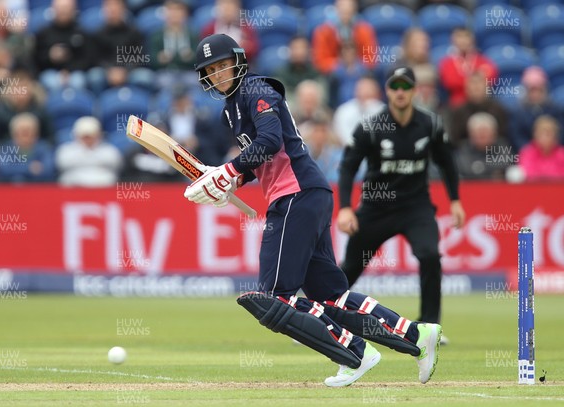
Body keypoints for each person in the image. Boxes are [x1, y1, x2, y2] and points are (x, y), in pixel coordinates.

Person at [183, 33, 442, 387]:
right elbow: (265, 158)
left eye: (223, 65)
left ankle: (353, 352)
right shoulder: (232, 107)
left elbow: (271, 141)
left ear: (238, 62)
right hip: (307, 193)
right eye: (210, 70)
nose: (218, 74)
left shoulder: (256, 90)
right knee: (330, 297)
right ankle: (416, 335)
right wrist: (230, 181)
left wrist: (228, 171)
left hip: (296, 196)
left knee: (275, 298)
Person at [337, 66, 465, 342]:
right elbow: (348, 167)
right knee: (350, 266)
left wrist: (455, 200)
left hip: (415, 207)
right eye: (395, 87)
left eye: (406, 87)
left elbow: (447, 163)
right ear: (387, 91)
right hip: (375, 207)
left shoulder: (430, 123)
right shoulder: (372, 126)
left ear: (414, 91)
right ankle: (318, 314)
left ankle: (430, 326)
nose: (400, 92)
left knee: (430, 255)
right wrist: (345, 207)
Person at [311, 0, 377, 74]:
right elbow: (320, 61)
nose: (346, 15)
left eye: (349, 12)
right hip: (332, 74)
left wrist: (356, 66)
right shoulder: (323, 32)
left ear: (354, 11)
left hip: (359, 72)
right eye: (343, 12)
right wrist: (340, 66)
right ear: (336, 10)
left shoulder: (365, 30)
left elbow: (370, 59)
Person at [438, 27, 498, 108]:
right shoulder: (446, 63)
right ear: (452, 39)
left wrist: (461, 80)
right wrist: (476, 80)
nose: (463, 40)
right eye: (459, 36)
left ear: (473, 39)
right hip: (456, 106)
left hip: (482, 104)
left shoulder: (483, 61)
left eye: (466, 36)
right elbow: (449, 81)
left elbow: (491, 77)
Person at [509, 66, 564, 153]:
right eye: (532, 90)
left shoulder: (556, 110)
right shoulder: (518, 112)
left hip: (554, 154)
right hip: (528, 155)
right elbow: (517, 137)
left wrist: (549, 148)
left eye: (539, 90)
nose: (536, 94)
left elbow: (561, 133)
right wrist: (533, 151)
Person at [55, 116, 123, 187]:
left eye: (91, 136)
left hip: (103, 187)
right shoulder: (66, 150)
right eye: (85, 136)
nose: (88, 139)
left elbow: (116, 164)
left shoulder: (109, 150)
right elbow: (62, 164)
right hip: (73, 188)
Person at [0, 112, 56, 183]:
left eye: (28, 131)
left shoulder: (44, 147)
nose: (25, 135)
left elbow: (49, 169)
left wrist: (18, 169)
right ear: (14, 133)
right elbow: (3, 169)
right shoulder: (6, 149)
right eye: (22, 132)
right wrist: (29, 168)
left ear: (36, 132)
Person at [456, 112, 511, 180]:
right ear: (470, 134)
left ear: (494, 133)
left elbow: (505, 166)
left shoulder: (502, 146)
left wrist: (479, 168)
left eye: (485, 132)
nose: (482, 135)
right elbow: (464, 168)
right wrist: (490, 171)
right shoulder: (463, 148)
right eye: (478, 132)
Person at [518, 115, 564, 181]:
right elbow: (528, 174)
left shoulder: (562, 154)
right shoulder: (527, 152)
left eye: (548, 133)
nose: (544, 137)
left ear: (555, 136)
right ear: (535, 135)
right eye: (541, 133)